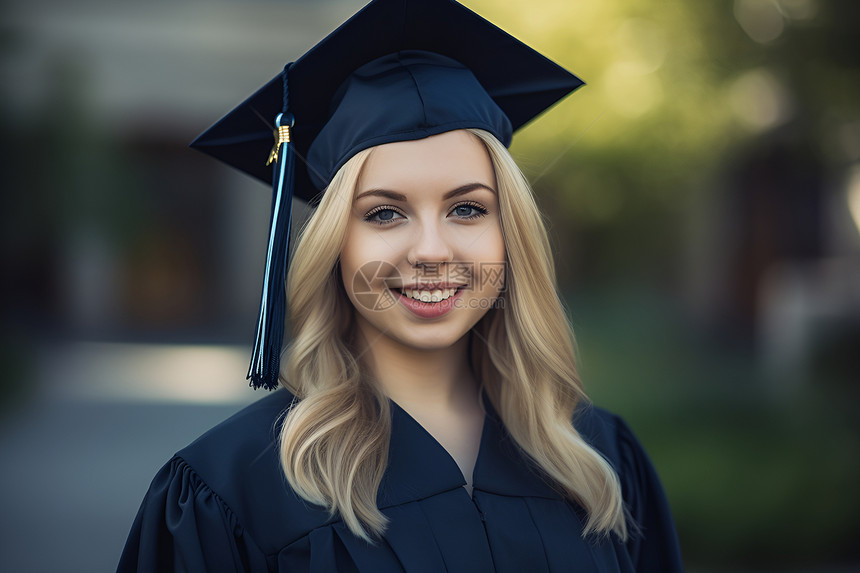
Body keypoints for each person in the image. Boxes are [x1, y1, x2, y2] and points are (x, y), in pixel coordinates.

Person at [117, 0, 685, 571]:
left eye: (467, 208)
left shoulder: (600, 458)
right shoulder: (228, 492)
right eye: (385, 214)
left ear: (511, 232)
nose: (432, 251)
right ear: (335, 243)